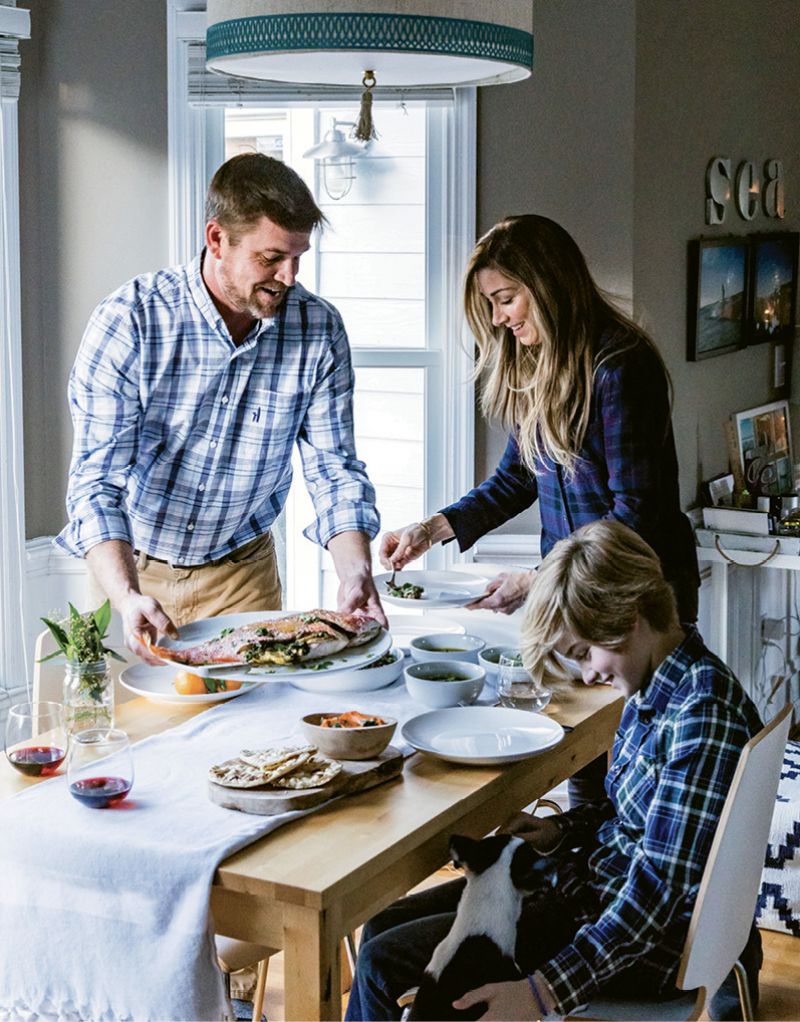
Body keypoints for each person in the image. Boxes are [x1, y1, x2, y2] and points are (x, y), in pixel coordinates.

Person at [347, 521, 763, 1022]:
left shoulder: (701, 715)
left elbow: (654, 892)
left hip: (640, 940)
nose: (588, 674)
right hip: (593, 891)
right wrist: (559, 830)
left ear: (629, 617)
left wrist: (542, 993)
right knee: (383, 925)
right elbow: (636, 818)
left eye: (585, 653)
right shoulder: (661, 681)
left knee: (380, 961)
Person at [379, 213, 700, 805]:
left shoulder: (620, 366)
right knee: (580, 756)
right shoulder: (541, 363)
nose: (500, 317)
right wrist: (430, 530)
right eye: (492, 304)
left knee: (632, 772)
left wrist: (540, 580)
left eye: (506, 298)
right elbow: (515, 479)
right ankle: (581, 872)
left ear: (546, 284)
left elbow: (639, 513)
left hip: (636, 603)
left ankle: (621, 881)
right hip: (572, 595)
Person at [57, 153, 385, 660]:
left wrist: (356, 572)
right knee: (127, 731)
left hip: (243, 576)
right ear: (217, 239)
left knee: (249, 731)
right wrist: (126, 597)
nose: (290, 276)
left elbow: (334, 472)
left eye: (300, 256)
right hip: (130, 572)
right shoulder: (131, 321)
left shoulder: (319, 331)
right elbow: (97, 484)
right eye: (271, 257)